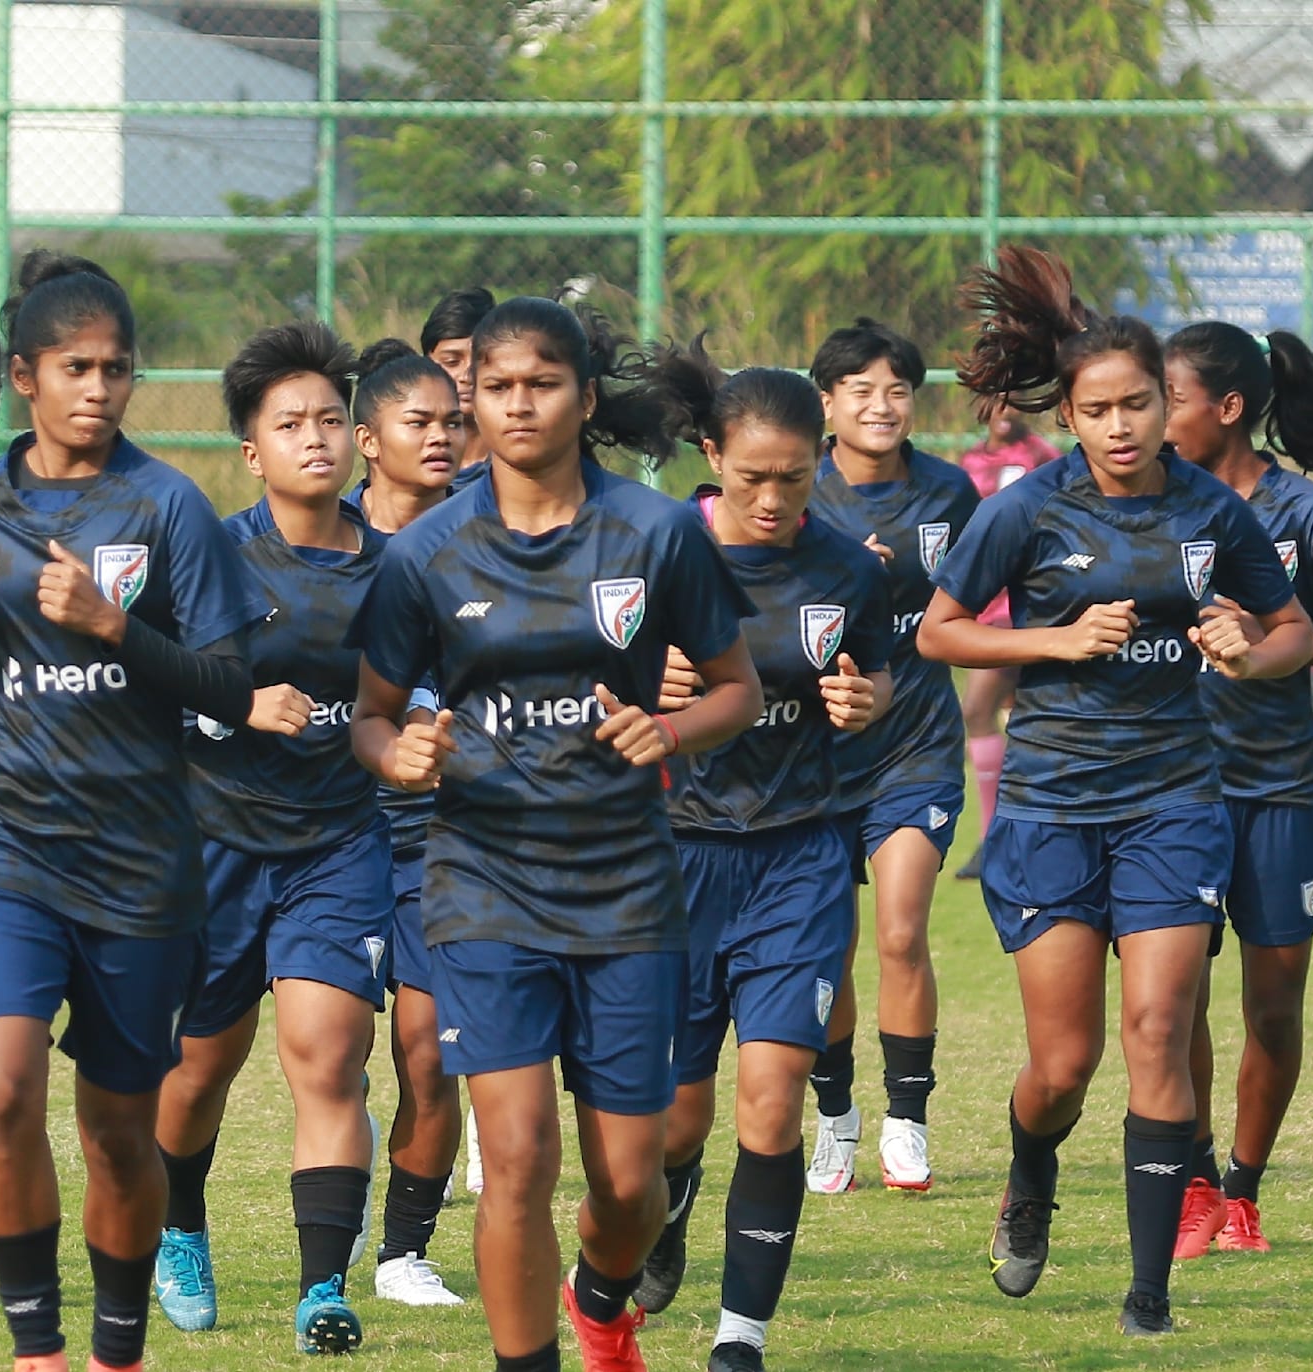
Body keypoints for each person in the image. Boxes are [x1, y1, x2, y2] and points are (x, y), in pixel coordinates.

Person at [347, 297, 762, 1372]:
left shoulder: (658, 532)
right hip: (482, 880)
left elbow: (737, 690)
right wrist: (395, 753)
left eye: (542, 382)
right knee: (520, 1157)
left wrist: (664, 726)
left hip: (626, 886)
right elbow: (372, 712)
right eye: (498, 386)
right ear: (473, 401)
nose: (518, 403)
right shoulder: (426, 551)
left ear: (583, 397)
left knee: (628, 1183)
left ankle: (604, 1291)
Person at [918, 246, 1313, 1337]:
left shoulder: (1208, 510)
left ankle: (1149, 1296)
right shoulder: (1028, 507)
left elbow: (1292, 631)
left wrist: (1248, 645)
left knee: (1157, 1022)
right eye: (1096, 409)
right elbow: (939, 629)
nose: (1121, 425)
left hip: (1176, 801)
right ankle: (1029, 1170)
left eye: (1137, 402)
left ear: (1161, 402)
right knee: (1063, 1062)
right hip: (1048, 806)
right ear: (1072, 416)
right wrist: (1052, 638)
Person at [0, 249, 267, 1372]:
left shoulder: (166, 505)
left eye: (116, 369)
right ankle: (36, 1351)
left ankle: (116, 1350)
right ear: (24, 376)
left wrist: (116, 630)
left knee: (116, 1131)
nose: (97, 388)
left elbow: (236, 687)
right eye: (75, 367)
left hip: (140, 859)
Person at [632, 339, 894, 1372]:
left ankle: (740, 1336)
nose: (775, 498)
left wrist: (864, 702)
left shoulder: (845, 569)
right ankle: (668, 1215)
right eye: (751, 478)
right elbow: (586, 692)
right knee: (673, 1118)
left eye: (794, 476)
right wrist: (640, 689)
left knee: (771, 1099)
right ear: (710, 456)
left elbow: (870, 691)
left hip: (800, 858)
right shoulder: (653, 555)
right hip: (675, 860)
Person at [151, 322, 392, 1354]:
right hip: (212, 846)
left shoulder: (401, 568)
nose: (314, 438)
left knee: (326, 1054)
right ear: (252, 451)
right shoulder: (205, 557)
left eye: (330, 419)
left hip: (340, 845)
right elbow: (135, 690)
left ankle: (319, 1290)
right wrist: (234, 704)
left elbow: (444, 679)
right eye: (288, 423)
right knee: (198, 1070)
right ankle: (179, 1224)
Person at [1160, 323, 1313, 1260]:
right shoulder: (1151, 505)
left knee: (1274, 1006)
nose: (1147, 417)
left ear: (1224, 409)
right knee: (1173, 999)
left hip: (1278, 792)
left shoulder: (1304, 512)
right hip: (1171, 790)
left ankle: (1246, 1192)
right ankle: (1196, 1183)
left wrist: (1265, 652)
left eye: (1164, 399)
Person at [800, 317, 981, 1195]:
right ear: (826, 402)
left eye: (898, 390)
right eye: (861, 391)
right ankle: (836, 1119)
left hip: (915, 746)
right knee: (826, 952)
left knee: (902, 930)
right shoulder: (795, 494)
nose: (882, 405)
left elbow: (980, 614)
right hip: (813, 760)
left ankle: (907, 1119)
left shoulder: (952, 493)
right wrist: (833, 574)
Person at [348, 338, 475, 1307]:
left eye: (450, 421)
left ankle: (401, 1250)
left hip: (441, 836)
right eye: (418, 422)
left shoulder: (487, 538)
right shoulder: (324, 538)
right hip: (327, 830)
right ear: (366, 440)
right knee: (327, 1048)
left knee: (427, 1052)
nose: (440, 436)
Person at [953, 403, 1061, 882]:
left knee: (978, 708)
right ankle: (1015, 833)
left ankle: (998, 835)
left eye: (1015, 397)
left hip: (1025, 610)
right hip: (987, 607)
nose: (1005, 408)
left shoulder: (1045, 457)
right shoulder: (969, 463)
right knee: (1014, 712)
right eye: (995, 397)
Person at [422, 286, 498, 470]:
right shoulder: (408, 462)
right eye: (452, 361)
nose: (467, 376)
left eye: (480, 360)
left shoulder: (518, 463)